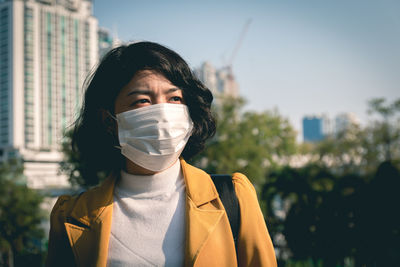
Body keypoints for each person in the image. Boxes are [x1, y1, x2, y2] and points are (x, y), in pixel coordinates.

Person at [46, 41, 277, 267]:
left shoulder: (233, 197)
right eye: (142, 101)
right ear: (109, 121)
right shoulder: (71, 216)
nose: (163, 113)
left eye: (174, 98)